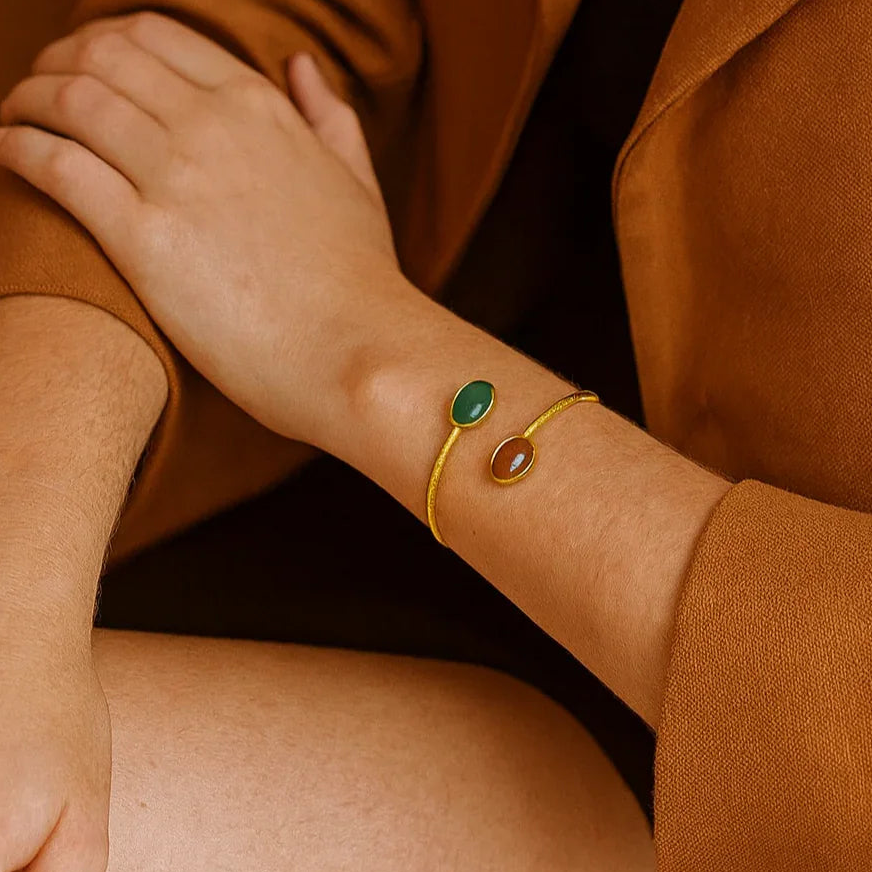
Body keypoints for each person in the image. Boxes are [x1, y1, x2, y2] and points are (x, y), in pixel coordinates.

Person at [2, 10, 872, 872]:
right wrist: (20, 580)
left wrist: (365, 348)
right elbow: (185, 74)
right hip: (233, 363)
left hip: (724, 762)